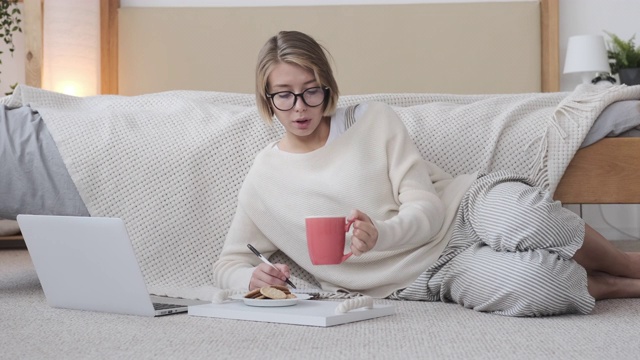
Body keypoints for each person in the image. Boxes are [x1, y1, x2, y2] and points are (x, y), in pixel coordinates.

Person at [212, 30, 640, 317]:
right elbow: (229, 262)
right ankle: (616, 286)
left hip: (462, 208)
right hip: (428, 274)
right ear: (267, 100)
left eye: (310, 91)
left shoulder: (372, 121)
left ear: (327, 87)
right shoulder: (263, 180)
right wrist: (250, 277)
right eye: (285, 96)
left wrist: (382, 233)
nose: (301, 106)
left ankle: (628, 264)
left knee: (524, 218)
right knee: (539, 284)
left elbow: (428, 208)